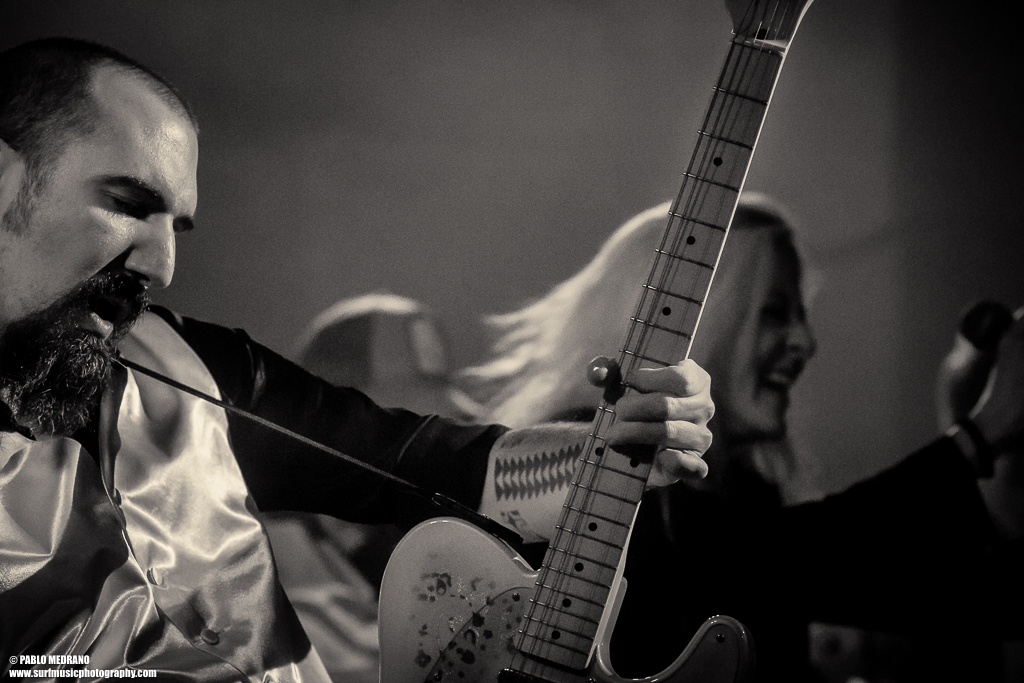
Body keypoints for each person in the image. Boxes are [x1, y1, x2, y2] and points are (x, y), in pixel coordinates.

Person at [0, 39, 716, 681]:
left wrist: (617, 448)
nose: (161, 266)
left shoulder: (193, 364)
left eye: (176, 227)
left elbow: (427, 465)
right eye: (128, 204)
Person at [460, 196, 1024, 681]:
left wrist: (973, 418)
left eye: (800, 315)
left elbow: (961, 599)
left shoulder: (743, 489)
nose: (805, 341)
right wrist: (981, 432)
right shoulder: (603, 455)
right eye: (775, 313)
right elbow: (797, 560)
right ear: (694, 321)